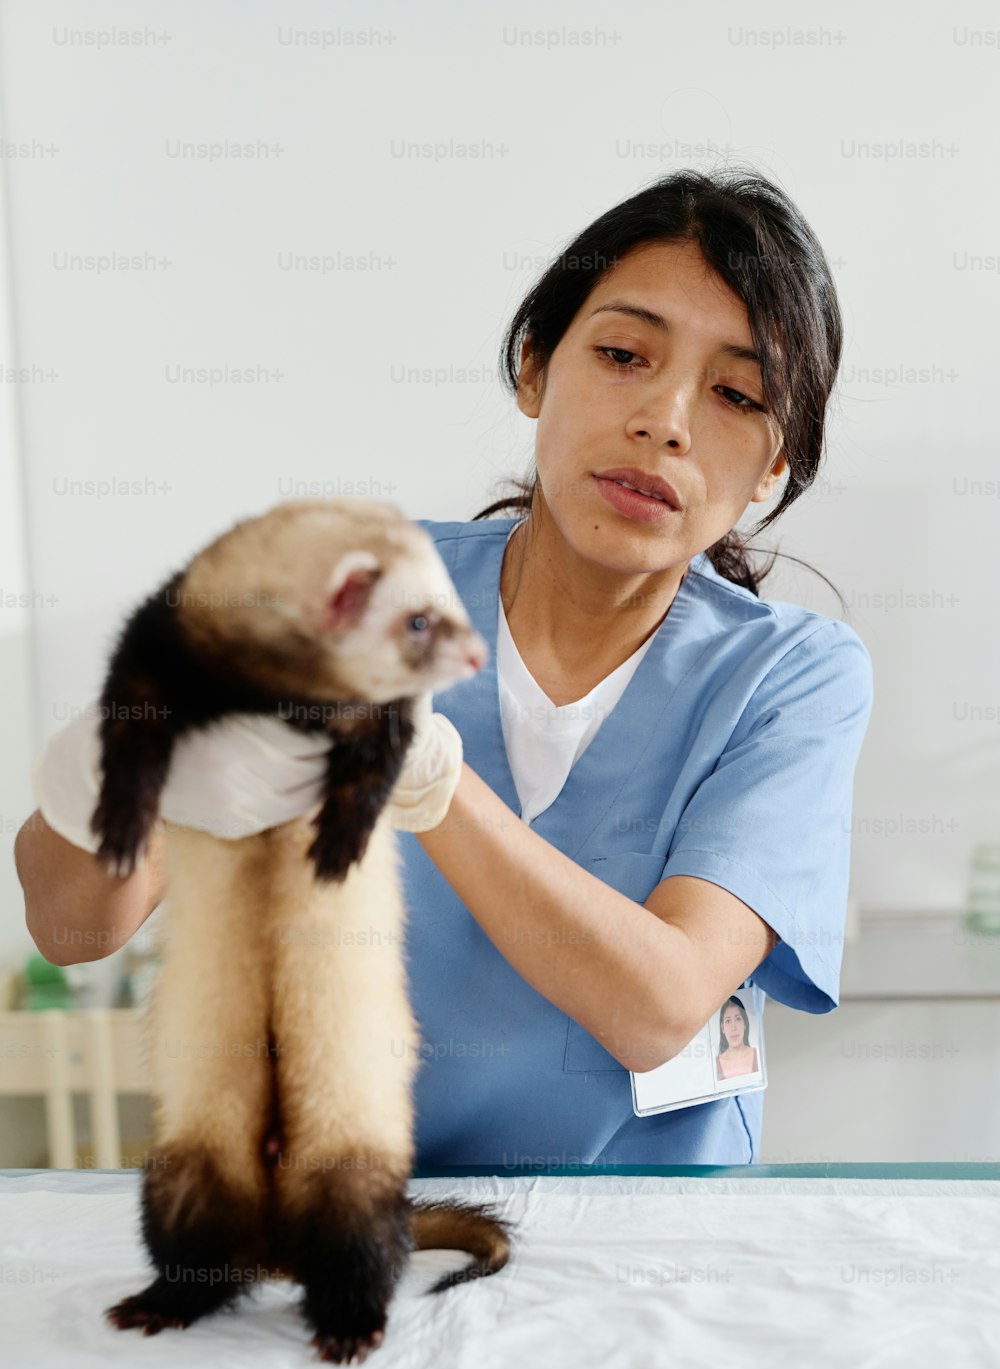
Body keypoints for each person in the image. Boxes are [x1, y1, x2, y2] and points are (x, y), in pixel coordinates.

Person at [15, 168, 873, 1171]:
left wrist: (421, 773)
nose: (666, 420)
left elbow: (660, 1009)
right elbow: (75, 927)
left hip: (656, 1244)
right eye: (622, 354)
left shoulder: (790, 678)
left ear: (775, 466)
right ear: (532, 368)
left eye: (735, 393)